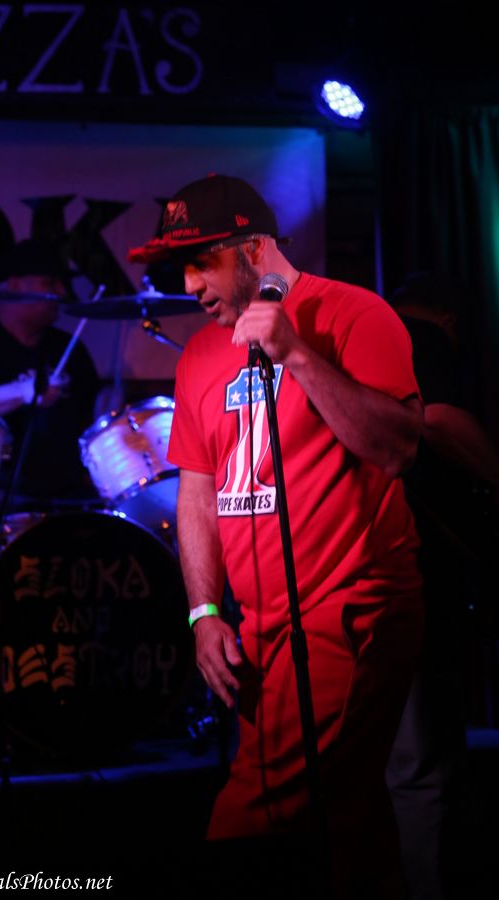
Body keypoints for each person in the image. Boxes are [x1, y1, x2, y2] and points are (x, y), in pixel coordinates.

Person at [128, 174, 425, 898]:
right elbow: (198, 492)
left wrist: (295, 354)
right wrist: (204, 613)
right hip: (262, 628)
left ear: (256, 249)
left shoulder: (353, 314)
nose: (189, 284)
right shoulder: (200, 356)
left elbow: (398, 448)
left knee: (258, 814)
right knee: (343, 824)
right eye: (182, 267)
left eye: (203, 262)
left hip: (349, 605)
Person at [385, 273, 499, 900]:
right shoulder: (420, 336)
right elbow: (440, 420)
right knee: (424, 758)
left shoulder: (371, 336)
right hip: (416, 565)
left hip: (375, 570)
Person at [0, 239, 100, 506]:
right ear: (13, 286)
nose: (61, 292)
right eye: (50, 283)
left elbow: (92, 416)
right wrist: (21, 392)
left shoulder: (70, 347)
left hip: (69, 495)